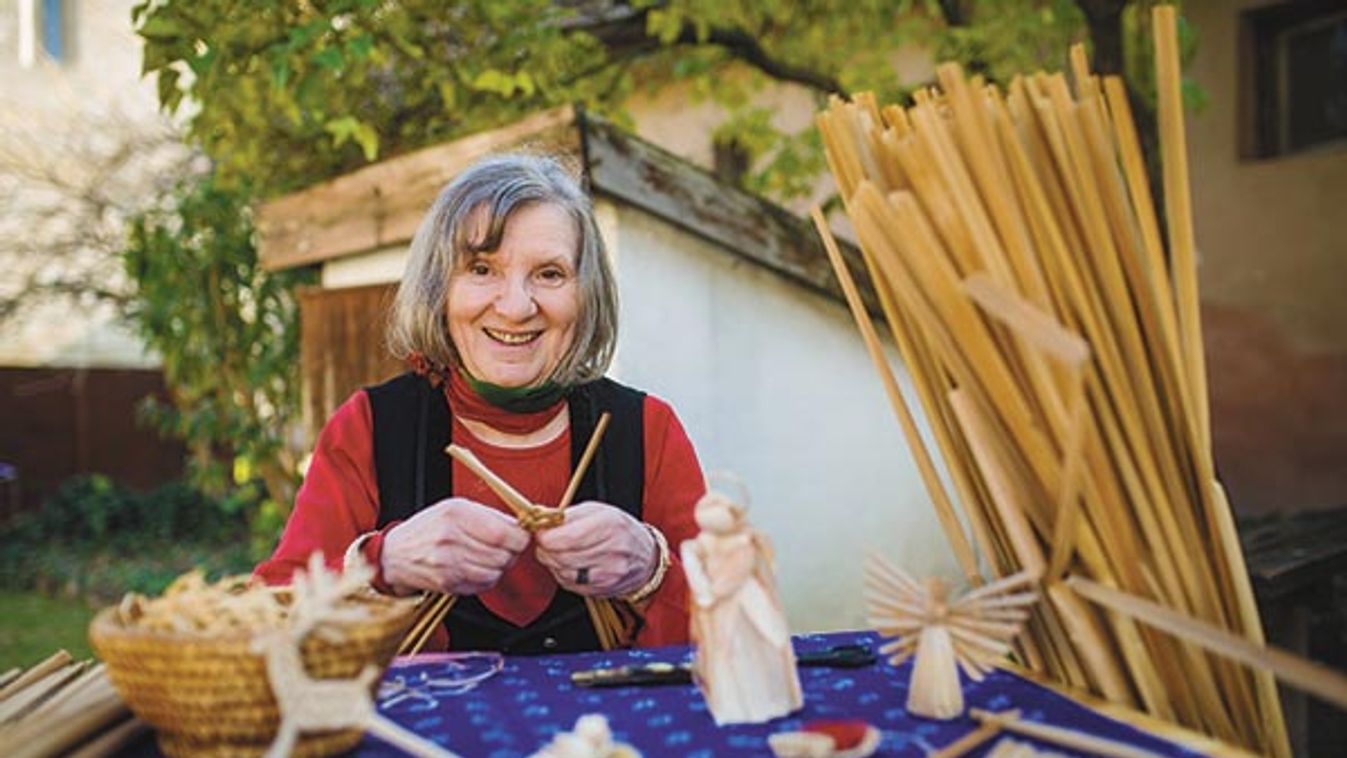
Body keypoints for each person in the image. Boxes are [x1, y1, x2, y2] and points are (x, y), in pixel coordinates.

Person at [256, 154, 705, 654]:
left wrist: (649, 570)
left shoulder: (645, 429)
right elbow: (264, 621)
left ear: (587, 294)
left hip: (615, 733)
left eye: (550, 274)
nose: (516, 307)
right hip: (419, 732)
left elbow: (739, 633)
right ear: (439, 289)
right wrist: (382, 564)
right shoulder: (370, 428)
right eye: (481, 268)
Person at [681, 489, 801, 724]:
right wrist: (707, 593)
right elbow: (696, 572)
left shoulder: (745, 540)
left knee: (762, 641)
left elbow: (746, 570)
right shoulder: (700, 545)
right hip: (721, 603)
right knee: (729, 651)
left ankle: (772, 699)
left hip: (743, 597)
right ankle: (737, 705)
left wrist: (713, 592)